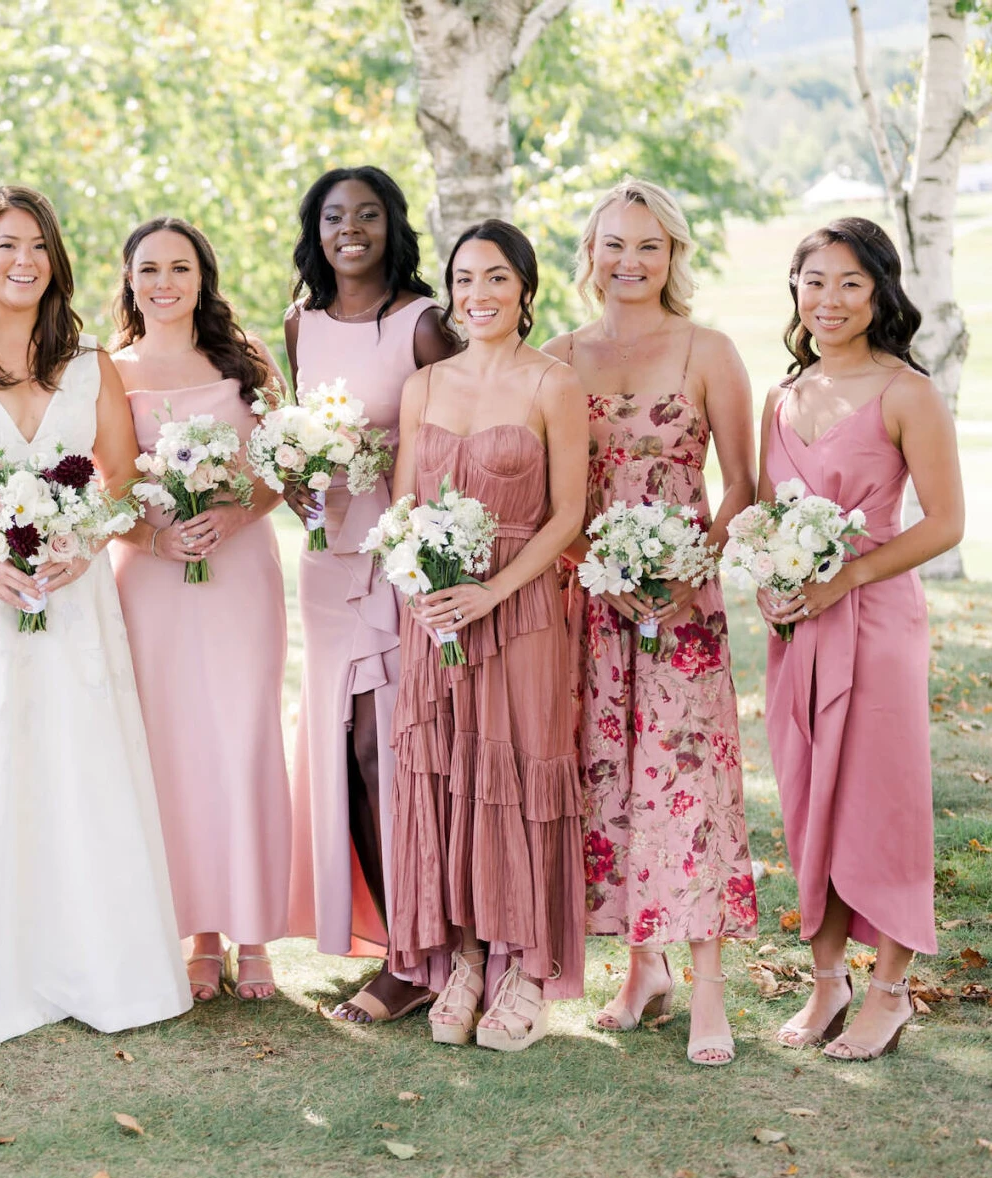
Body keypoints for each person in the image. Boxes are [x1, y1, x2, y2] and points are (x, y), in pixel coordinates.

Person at [0, 185, 192, 1047]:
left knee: (73, 762)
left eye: (39, 248)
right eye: (7, 246)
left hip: (70, 591)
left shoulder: (90, 363)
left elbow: (119, 478)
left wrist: (83, 548)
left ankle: (92, 963)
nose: (24, 262)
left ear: (55, 263)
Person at [542, 179, 758, 1066]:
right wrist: (591, 570)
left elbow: (742, 482)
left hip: (681, 607)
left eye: (648, 246)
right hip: (591, 602)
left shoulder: (707, 349)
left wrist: (689, 569)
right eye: (613, 245)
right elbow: (553, 498)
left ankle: (708, 990)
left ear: (673, 256)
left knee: (685, 783)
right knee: (606, 780)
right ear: (588, 254)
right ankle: (640, 969)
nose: (629, 262)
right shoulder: (557, 357)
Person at [759, 217, 962, 1061]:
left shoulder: (906, 390)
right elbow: (765, 518)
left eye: (848, 282)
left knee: (880, 804)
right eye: (813, 280)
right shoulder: (781, 395)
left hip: (874, 620)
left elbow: (947, 523)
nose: (828, 299)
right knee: (808, 801)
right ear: (795, 290)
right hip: (797, 628)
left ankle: (890, 991)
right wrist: (772, 583)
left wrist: (844, 577)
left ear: (878, 290)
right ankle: (827, 982)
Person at [387, 220, 587, 1052]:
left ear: (525, 290)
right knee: (449, 775)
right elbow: (401, 506)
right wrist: (423, 590)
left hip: (520, 607)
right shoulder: (423, 385)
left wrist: (492, 592)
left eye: (496, 279)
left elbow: (568, 514)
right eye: (464, 279)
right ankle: (464, 954)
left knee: (515, 770)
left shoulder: (553, 384)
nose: (478, 295)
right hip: (432, 612)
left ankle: (523, 969)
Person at [279, 166, 460, 1024]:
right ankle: (402, 940)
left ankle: (419, 953)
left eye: (367, 215)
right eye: (331, 216)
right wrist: (292, 477)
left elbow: (458, 441)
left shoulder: (423, 325)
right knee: (342, 759)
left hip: (397, 560)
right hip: (325, 563)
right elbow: (295, 432)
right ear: (314, 231)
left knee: (380, 752)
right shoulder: (300, 323)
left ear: (392, 226)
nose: (349, 229)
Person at [107, 216, 292, 1001]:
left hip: (239, 573)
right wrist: (154, 537)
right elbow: (103, 488)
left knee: (241, 739)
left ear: (201, 278)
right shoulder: (104, 373)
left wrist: (236, 512)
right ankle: (198, 935)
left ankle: (253, 937)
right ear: (128, 280)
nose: (163, 283)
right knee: (172, 750)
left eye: (179, 268)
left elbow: (283, 471)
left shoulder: (243, 367)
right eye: (148, 269)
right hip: (150, 583)